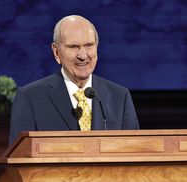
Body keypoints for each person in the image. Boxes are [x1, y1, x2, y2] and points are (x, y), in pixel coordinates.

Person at [8, 15, 140, 144]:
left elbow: (135, 154)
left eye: (89, 45)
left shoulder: (119, 97)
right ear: (56, 52)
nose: (83, 55)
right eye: (73, 47)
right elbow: (19, 159)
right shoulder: (30, 98)